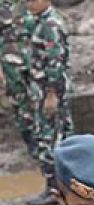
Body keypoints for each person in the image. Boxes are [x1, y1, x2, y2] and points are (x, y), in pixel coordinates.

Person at [22, 0, 72, 205]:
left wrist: (51, 94)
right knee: (54, 135)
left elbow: (56, 61)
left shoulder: (51, 25)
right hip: (41, 90)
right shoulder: (39, 22)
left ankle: (54, 189)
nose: (29, 4)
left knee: (50, 138)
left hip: (50, 92)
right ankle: (61, 186)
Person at [1, 0, 37, 175]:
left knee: (42, 102)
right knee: (20, 105)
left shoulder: (33, 5)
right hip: (11, 63)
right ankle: (33, 147)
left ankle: (48, 149)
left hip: (36, 62)